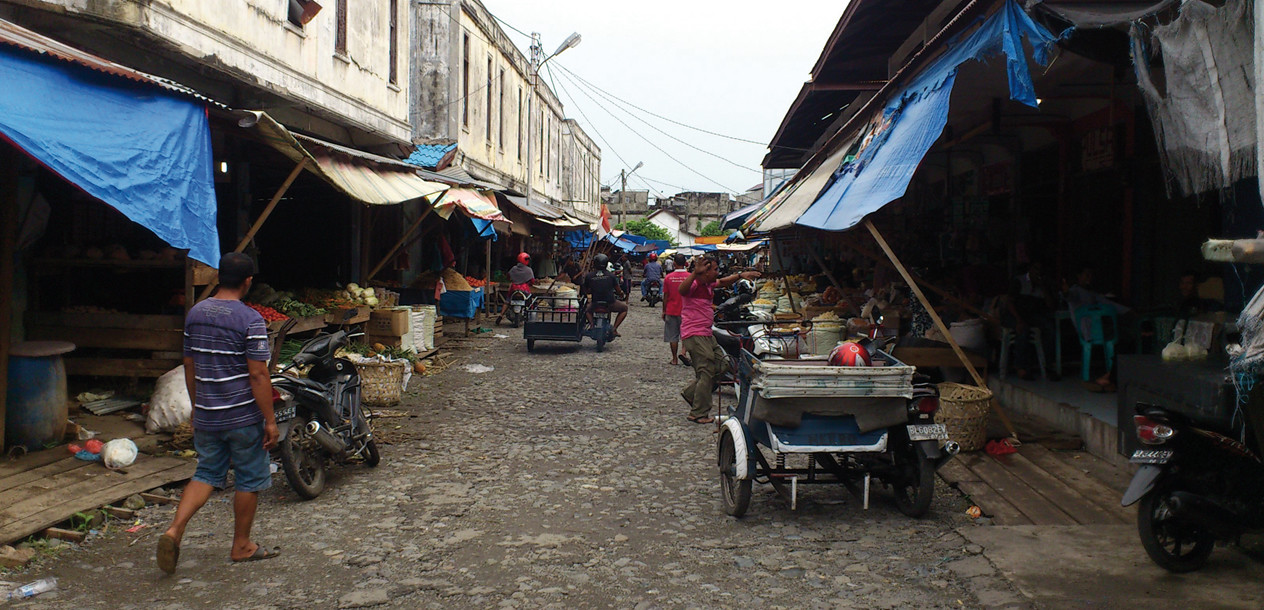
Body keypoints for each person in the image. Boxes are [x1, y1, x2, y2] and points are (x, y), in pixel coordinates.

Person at [158, 253, 280, 574]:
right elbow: (258, 375)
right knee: (249, 477)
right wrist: (269, 419)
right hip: (242, 416)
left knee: (206, 473)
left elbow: (189, 365)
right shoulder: (250, 319)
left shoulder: (196, 314)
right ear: (248, 281)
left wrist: (198, 408)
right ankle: (241, 545)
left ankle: (174, 530)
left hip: (209, 413)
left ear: (218, 277)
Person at [679, 255, 760, 424]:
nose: (717, 272)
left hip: (707, 333)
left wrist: (740, 276)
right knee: (706, 370)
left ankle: (690, 393)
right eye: (714, 269)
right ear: (705, 271)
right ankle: (698, 413)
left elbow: (723, 282)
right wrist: (695, 273)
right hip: (694, 333)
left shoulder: (708, 284)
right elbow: (682, 290)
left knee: (723, 365)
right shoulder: (694, 284)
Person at [581, 253, 628, 335]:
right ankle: (614, 328)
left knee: (586, 310)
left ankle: (592, 325)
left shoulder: (589, 276)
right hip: (610, 302)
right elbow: (618, 290)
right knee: (624, 308)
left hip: (595, 303)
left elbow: (585, 290)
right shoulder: (611, 276)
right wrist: (621, 294)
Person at [662, 254, 691, 365]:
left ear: (674, 263)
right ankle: (683, 353)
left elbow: (666, 296)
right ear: (685, 263)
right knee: (686, 334)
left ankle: (674, 359)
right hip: (687, 311)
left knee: (673, 336)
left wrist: (664, 310)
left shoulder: (668, 278)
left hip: (671, 310)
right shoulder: (690, 277)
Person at [496, 252, 535, 325]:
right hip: (524, 289)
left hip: (514, 288)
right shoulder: (529, 270)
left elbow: (508, 277)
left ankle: (500, 315)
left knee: (507, 300)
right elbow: (532, 281)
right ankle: (530, 316)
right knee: (530, 301)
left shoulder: (513, 269)